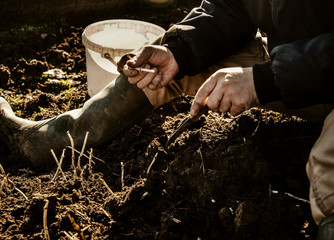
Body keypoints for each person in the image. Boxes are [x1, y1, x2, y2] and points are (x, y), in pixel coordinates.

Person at [0, 0, 333, 238]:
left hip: (311, 70)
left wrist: (262, 81)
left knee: (327, 170)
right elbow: (234, 7)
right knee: (166, 65)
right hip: (293, 66)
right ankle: (49, 139)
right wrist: (180, 50)